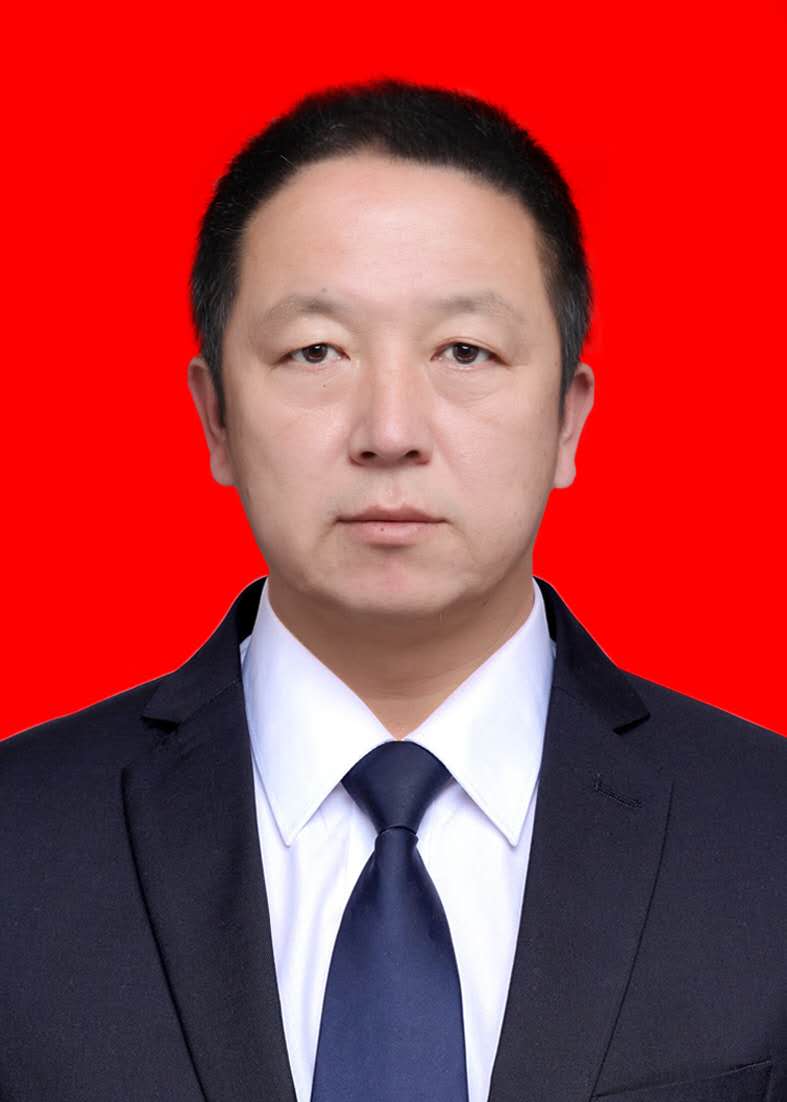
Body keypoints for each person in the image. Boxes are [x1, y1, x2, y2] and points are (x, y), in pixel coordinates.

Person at [1, 77, 785, 1102]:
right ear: (215, 417)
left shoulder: (764, 835)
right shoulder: (20, 842)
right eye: (315, 351)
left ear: (567, 418)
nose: (389, 430)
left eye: (465, 351)